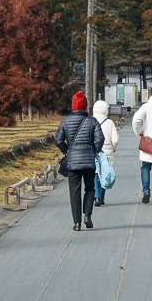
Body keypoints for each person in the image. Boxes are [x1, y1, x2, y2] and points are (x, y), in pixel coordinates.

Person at [56, 90, 104, 231]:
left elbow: (58, 140)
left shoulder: (65, 121)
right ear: (85, 106)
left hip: (73, 162)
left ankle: (77, 223)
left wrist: (66, 151)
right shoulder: (92, 121)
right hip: (89, 160)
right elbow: (100, 139)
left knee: (74, 191)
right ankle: (87, 215)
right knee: (90, 188)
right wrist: (95, 150)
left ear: (73, 106)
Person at [92, 99, 119, 206]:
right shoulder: (109, 122)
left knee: (95, 174)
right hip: (107, 151)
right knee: (105, 174)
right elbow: (115, 139)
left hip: (93, 150)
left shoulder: (90, 121)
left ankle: (96, 196)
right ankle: (101, 198)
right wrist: (113, 147)